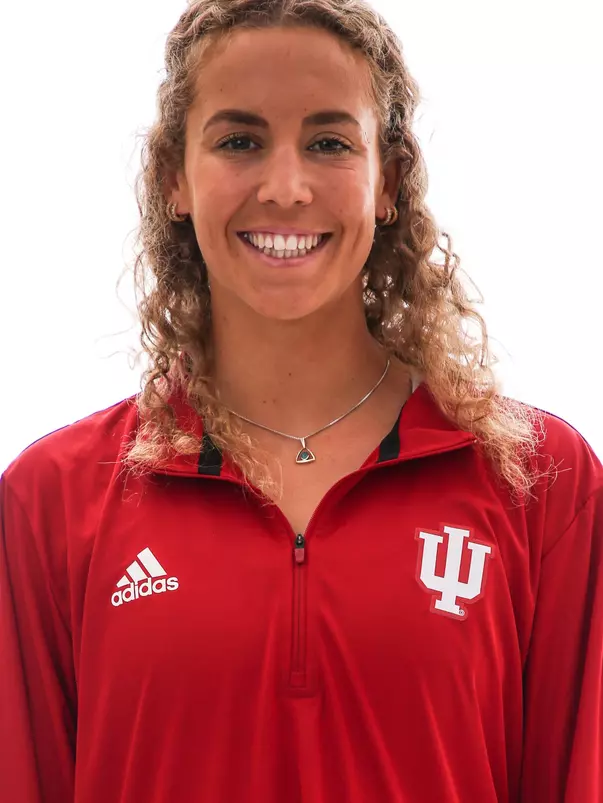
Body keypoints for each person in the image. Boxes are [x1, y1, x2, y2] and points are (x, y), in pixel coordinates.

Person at [1, 0, 601, 800]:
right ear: (173, 179)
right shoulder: (52, 499)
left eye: (327, 142)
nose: (285, 188)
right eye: (239, 141)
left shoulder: (538, 482)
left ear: (386, 181)